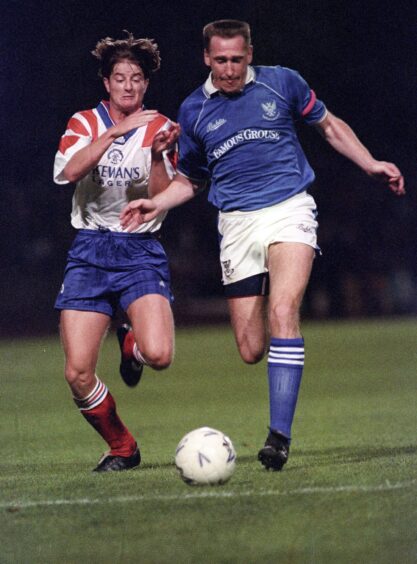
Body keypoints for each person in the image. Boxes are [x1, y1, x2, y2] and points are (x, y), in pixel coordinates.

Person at [120, 20, 405, 471]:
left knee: (283, 311)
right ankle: (140, 342)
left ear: (249, 54)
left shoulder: (282, 82)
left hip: (289, 208)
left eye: (237, 59)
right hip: (236, 224)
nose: (230, 69)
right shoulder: (193, 110)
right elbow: (192, 180)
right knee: (251, 348)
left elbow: (328, 126)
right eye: (221, 61)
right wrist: (156, 202)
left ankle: (278, 438)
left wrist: (370, 163)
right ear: (206, 60)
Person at [53, 31, 180, 472]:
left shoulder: (160, 128)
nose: (129, 86)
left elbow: (162, 196)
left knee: (160, 355)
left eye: (137, 78)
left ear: (145, 84)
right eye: (120, 78)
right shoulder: (84, 123)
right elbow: (69, 172)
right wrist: (115, 133)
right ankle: (122, 447)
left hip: (140, 248)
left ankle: (133, 346)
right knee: (77, 373)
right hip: (90, 250)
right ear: (106, 83)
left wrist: (162, 158)